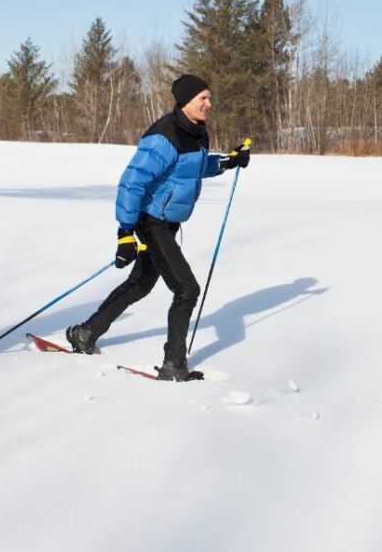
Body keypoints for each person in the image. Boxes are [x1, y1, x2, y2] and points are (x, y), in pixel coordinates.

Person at [65, 75, 249, 380]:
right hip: (151, 222)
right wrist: (125, 232)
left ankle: (85, 333)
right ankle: (174, 364)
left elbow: (194, 168)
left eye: (209, 98)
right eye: (202, 98)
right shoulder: (164, 135)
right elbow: (132, 182)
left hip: (168, 222)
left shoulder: (197, 132)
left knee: (140, 284)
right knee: (187, 289)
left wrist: (227, 162)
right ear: (185, 100)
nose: (209, 104)